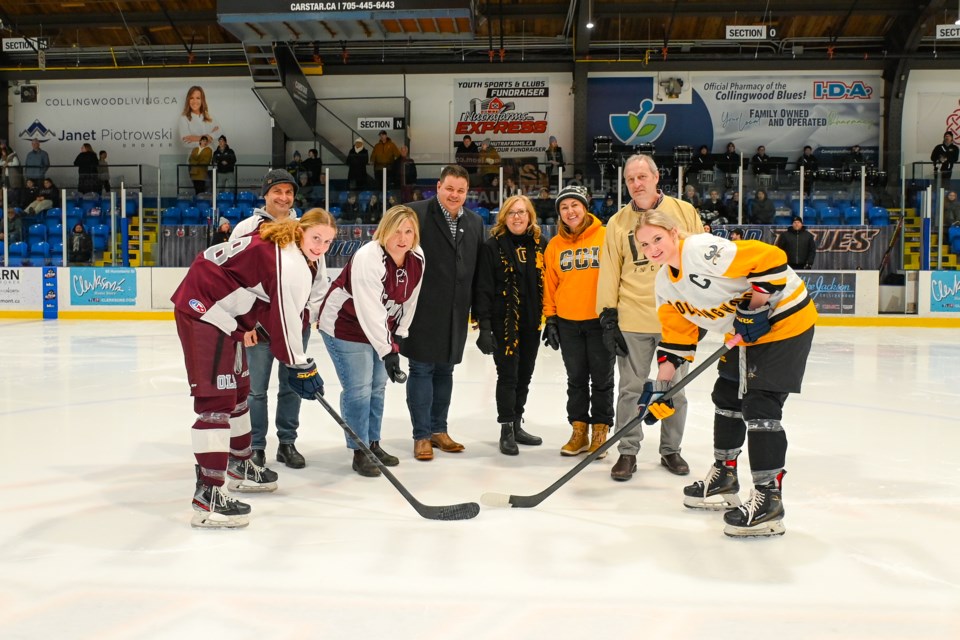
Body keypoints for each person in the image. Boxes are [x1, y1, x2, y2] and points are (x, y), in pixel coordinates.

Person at [633, 209, 817, 537]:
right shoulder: (664, 285)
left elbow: (771, 258)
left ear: (674, 233)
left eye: (657, 238)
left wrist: (755, 306)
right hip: (746, 331)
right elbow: (677, 341)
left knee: (760, 403)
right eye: (645, 245)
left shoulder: (700, 251)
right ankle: (725, 475)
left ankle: (768, 501)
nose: (653, 248)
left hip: (786, 320)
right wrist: (660, 386)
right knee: (727, 393)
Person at [170, 209, 335, 528]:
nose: (320, 246)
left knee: (239, 392)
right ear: (301, 231)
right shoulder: (289, 261)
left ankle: (240, 466)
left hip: (226, 315)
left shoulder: (288, 247)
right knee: (215, 403)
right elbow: (287, 323)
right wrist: (302, 367)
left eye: (327, 242)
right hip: (204, 311)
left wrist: (297, 361)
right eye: (316, 238)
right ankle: (209, 496)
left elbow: (283, 308)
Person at [596, 153, 702, 481]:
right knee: (630, 389)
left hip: (677, 319)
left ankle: (671, 450)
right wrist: (608, 316)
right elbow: (610, 270)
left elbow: (699, 260)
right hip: (633, 318)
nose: (636, 184)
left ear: (656, 178)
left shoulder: (684, 212)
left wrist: (700, 313)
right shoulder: (617, 223)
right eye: (630, 179)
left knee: (675, 390)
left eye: (642, 177)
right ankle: (627, 451)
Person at [231, 170, 337, 469]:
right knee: (256, 390)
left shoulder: (306, 227)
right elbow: (235, 279)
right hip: (258, 327)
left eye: (289, 192)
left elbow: (319, 277)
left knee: (292, 385)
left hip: (294, 324)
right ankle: (256, 446)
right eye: (277, 191)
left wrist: (308, 313)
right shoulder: (246, 228)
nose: (283, 197)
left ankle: (287, 442)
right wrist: (244, 323)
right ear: (265, 193)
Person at [318, 205, 425, 476]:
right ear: (384, 231)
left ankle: (373, 443)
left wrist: (401, 333)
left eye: (409, 231)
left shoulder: (417, 257)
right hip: (346, 325)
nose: (402, 238)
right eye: (397, 231)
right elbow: (369, 309)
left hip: (380, 329)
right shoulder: (369, 257)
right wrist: (388, 351)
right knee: (360, 388)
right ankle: (359, 450)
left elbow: (410, 299)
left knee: (378, 386)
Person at [401, 164, 484, 461]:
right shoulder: (415, 213)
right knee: (421, 370)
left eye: (461, 190)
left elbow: (476, 271)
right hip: (421, 311)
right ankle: (421, 435)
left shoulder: (474, 222)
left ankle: (439, 429)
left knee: (445, 370)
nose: (454, 195)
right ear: (438, 186)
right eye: (449, 188)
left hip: (455, 312)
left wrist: (477, 312)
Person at [542, 185, 613, 458]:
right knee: (576, 380)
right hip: (568, 323)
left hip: (599, 322)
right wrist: (551, 318)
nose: (570, 211)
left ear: (585, 207)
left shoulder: (606, 237)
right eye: (564, 207)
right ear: (559, 213)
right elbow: (550, 284)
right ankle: (579, 430)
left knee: (603, 380)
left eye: (574, 205)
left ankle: (600, 432)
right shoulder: (555, 246)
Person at [474, 195, 547, 455]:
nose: (518, 217)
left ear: (530, 217)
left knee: (525, 375)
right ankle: (506, 429)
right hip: (504, 323)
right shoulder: (492, 247)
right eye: (512, 213)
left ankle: (517, 424)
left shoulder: (540, 245)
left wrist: (552, 319)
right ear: (504, 217)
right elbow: (483, 288)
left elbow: (550, 285)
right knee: (508, 376)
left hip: (532, 323)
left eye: (522, 212)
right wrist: (484, 327)